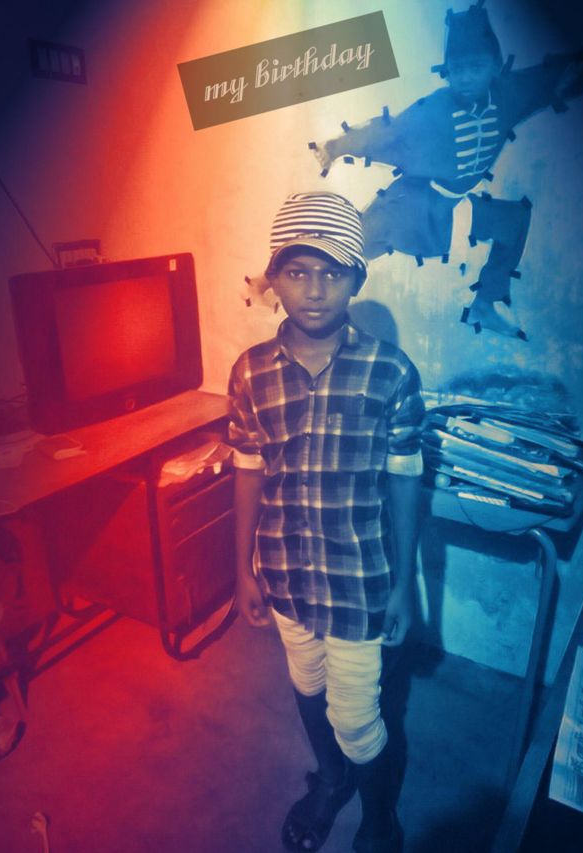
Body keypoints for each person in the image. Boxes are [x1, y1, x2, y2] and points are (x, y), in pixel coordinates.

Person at [228, 191, 424, 853]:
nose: (314, 289)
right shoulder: (250, 373)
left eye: (332, 272)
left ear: (357, 279)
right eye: (298, 271)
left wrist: (404, 586)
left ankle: (380, 818)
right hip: (284, 569)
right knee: (305, 681)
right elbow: (248, 471)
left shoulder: (390, 372)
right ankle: (331, 780)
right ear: (274, 278)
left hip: (358, 578)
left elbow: (405, 481)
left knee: (358, 717)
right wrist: (242, 569)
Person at [309, 1, 583, 339]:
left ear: (495, 65)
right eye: (457, 69)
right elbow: (388, 132)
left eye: (476, 66)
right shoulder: (434, 110)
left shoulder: (509, 94)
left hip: (461, 204)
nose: (466, 77)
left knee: (514, 221)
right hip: (419, 202)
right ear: (447, 71)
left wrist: (568, 75)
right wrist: (337, 147)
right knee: (364, 236)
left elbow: (543, 81)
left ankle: (484, 304)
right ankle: (298, 283)